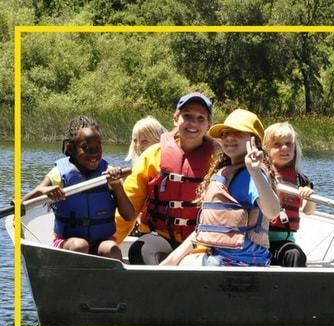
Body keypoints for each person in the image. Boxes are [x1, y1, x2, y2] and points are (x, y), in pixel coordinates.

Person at [160, 109, 281, 267]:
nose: (229, 137)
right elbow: (204, 231)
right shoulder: (224, 174)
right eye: (224, 134)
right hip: (218, 257)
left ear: (254, 141)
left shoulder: (252, 175)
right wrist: (169, 261)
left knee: (187, 267)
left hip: (244, 263)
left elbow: (272, 211)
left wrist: (255, 171)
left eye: (238, 133)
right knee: (182, 263)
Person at [114, 92, 218, 265]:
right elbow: (129, 206)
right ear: (176, 118)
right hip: (160, 237)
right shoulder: (153, 155)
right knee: (141, 251)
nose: (193, 123)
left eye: (201, 118)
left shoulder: (220, 159)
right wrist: (110, 241)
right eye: (187, 116)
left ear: (209, 124)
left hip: (203, 241)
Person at [22, 116, 135, 260]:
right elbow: (22, 204)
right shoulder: (59, 174)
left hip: (101, 241)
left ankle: (111, 282)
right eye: (86, 148)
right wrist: (42, 190)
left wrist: (117, 185)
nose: (94, 153)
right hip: (68, 242)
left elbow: (129, 216)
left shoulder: (109, 173)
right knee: (79, 246)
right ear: (71, 148)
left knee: (111, 249)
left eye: (98, 146)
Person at [262, 122, 316, 267]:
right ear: (266, 149)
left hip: (284, 243)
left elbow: (308, 211)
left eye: (288, 143)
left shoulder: (301, 180)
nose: (284, 148)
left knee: (295, 255)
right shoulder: (260, 173)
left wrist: (308, 196)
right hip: (259, 239)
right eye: (277, 145)